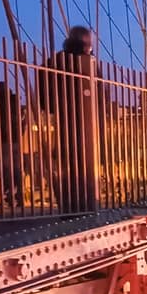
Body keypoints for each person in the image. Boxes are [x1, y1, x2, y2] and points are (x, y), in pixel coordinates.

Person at [38, 25, 100, 211]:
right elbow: (97, 95)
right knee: (85, 163)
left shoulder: (52, 63)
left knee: (67, 164)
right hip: (85, 121)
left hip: (63, 120)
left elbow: (44, 98)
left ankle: (69, 206)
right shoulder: (87, 62)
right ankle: (86, 205)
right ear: (86, 43)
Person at [0, 82, 25, 207]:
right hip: (16, 141)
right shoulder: (15, 103)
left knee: (6, 169)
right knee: (17, 169)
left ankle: (8, 195)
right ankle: (19, 195)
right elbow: (22, 122)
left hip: (3, 140)